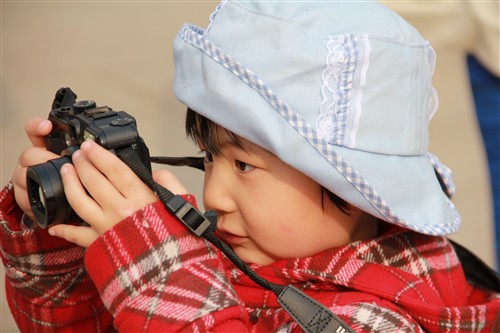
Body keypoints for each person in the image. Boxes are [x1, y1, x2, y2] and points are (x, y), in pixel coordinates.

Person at [1, 1, 499, 332]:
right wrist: (63, 235)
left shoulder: (378, 317)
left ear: (351, 188)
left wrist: (159, 272)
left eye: (243, 164)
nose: (213, 196)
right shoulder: (237, 253)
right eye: (210, 156)